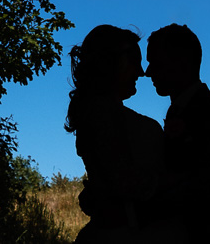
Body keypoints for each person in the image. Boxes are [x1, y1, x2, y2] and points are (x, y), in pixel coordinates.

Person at [66, 25, 184, 243]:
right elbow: (124, 180)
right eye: (134, 62)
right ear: (112, 63)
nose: (141, 71)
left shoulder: (100, 114)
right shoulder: (100, 115)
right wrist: (181, 180)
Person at [144, 24, 210, 244]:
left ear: (181, 61)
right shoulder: (181, 110)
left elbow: (207, 184)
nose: (148, 72)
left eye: (155, 62)